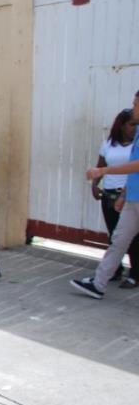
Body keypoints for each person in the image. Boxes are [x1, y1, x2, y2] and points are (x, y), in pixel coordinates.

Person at [71, 91, 139, 298]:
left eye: (136, 104)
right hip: (133, 199)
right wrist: (124, 194)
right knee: (118, 240)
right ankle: (99, 284)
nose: (133, 107)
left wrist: (103, 171)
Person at [91, 109, 139, 288]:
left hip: (129, 196)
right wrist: (95, 183)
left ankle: (135, 274)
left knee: (132, 239)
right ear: (121, 125)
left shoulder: (136, 143)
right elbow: (100, 164)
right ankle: (110, 274)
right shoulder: (109, 144)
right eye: (131, 125)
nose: (134, 128)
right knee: (115, 237)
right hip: (112, 195)